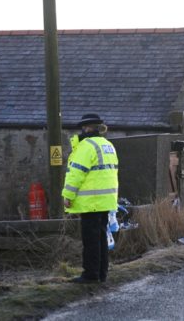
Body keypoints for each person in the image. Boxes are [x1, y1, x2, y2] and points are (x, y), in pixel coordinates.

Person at [62, 114, 119, 284]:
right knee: (101, 238)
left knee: (90, 240)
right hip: (106, 200)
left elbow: (76, 174)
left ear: (86, 128)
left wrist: (68, 196)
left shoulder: (86, 146)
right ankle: (101, 273)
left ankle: (90, 275)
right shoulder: (108, 145)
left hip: (91, 202)